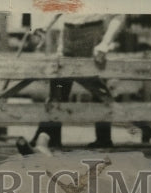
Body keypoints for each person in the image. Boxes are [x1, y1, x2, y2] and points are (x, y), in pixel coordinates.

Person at [29, 14, 126, 149]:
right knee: (58, 84)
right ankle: (52, 140)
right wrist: (44, 26)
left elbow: (120, 15)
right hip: (68, 32)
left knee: (97, 87)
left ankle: (103, 141)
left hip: (92, 32)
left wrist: (105, 43)